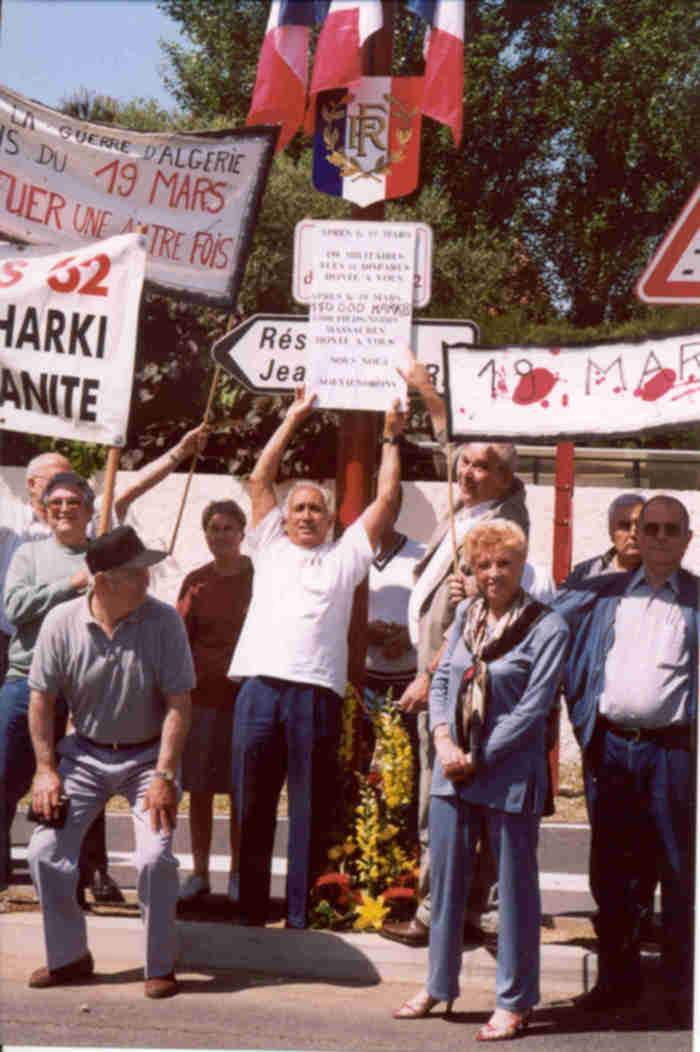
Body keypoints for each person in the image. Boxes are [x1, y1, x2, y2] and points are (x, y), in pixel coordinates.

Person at [380, 356, 552, 948]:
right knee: (454, 795)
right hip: (443, 676)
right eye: (466, 464)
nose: (469, 472)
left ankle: (438, 913)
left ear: (508, 479)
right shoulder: (463, 509)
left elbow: (475, 624)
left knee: (445, 796)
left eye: (484, 465)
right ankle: (465, 908)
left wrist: (427, 392)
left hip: (457, 684)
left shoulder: (503, 519)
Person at [0, 426, 206, 901]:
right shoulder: (27, 548)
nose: (65, 506)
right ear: (37, 499)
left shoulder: (104, 545)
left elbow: (133, 486)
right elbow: (16, 611)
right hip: (32, 678)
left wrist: (179, 449)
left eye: (74, 497)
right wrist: (75, 582)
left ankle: (91, 872)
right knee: (13, 770)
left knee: (88, 771)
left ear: (89, 507)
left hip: (91, 681)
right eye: (54, 495)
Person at [228, 388, 405, 929]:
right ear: (284, 519)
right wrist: (294, 417)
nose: (307, 515)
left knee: (309, 809)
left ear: (330, 520)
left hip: (315, 696)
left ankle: (301, 916)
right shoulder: (270, 547)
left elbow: (388, 498)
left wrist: (392, 433)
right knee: (250, 806)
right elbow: (259, 481)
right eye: (299, 507)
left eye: (317, 509)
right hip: (258, 690)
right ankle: (248, 911)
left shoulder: (347, 555)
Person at [392, 519, 568, 1039]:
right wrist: (444, 740)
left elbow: (535, 709)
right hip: (454, 770)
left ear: (522, 566)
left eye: (504, 564)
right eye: (483, 564)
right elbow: (443, 677)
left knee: (513, 891)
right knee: (444, 882)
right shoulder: (466, 614)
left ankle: (514, 1001)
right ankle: (438, 985)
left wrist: (479, 754)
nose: (493, 573)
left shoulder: (547, 625)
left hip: (509, 773)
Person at [26, 525, 194, 998]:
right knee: (45, 853)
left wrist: (163, 774)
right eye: (138, 571)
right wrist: (45, 769)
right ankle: (69, 958)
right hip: (83, 754)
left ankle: (159, 964)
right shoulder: (60, 622)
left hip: (147, 758)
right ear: (104, 580)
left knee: (155, 857)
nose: (148, 578)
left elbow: (179, 703)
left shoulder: (164, 622)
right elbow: (41, 700)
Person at [554, 495, 697, 1024]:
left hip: (675, 753)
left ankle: (681, 993)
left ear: (686, 539)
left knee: (680, 872)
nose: (655, 537)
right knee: (614, 872)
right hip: (612, 748)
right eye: (646, 527)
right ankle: (616, 984)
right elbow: (534, 618)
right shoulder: (600, 592)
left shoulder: (698, 600)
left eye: (667, 529)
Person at [176, 499, 253, 904]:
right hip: (202, 699)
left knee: (242, 789)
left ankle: (240, 873)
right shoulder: (194, 581)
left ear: (242, 532)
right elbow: (179, 638)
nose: (220, 535)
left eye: (228, 528)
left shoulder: (260, 578)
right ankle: (200, 872)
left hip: (246, 699)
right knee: (200, 789)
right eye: (213, 528)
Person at [364, 484, 425, 830]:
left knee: (406, 774)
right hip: (361, 680)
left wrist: (406, 635)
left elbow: (431, 613)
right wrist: (363, 630)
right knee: (359, 775)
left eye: (389, 502)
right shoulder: (348, 552)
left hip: (405, 680)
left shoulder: (421, 554)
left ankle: (403, 856)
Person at [564, 492, 644, 586]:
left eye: (640, 525)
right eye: (625, 526)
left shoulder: (662, 576)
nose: (633, 533)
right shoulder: (584, 574)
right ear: (611, 531)